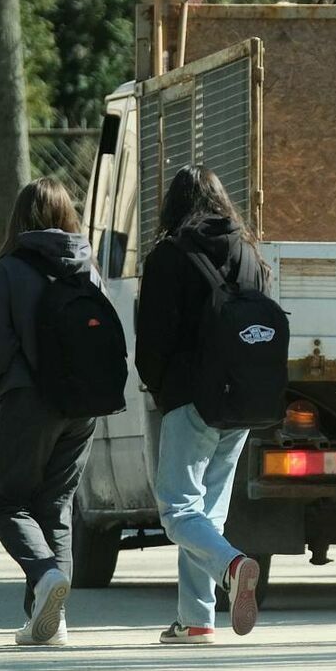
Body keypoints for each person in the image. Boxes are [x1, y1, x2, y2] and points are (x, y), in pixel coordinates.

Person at [135, 165, 267, 645]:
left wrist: (161, 388)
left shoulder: (168, 256)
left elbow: (151, 339)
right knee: (206, 514)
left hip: (190, 398)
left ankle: (232, 566)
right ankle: (196, 619)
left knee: (177, 512)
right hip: (244, 401)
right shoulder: (249, 253)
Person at [0, 178, 100, 646]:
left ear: (19, 219)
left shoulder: (7, 271)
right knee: (56, 506)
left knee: (9, 502)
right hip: (83, 407)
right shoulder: (88, 267)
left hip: (29, 402)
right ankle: (51, 622)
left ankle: (45, 578)